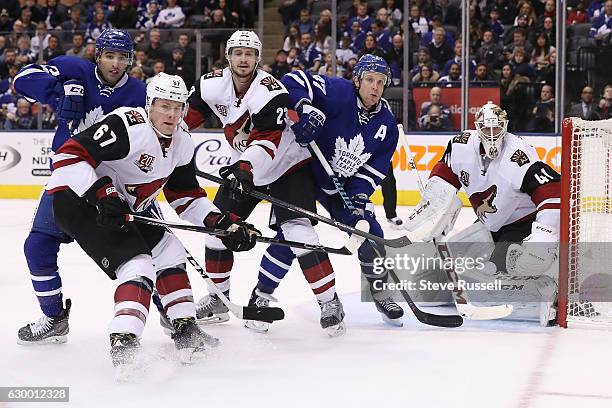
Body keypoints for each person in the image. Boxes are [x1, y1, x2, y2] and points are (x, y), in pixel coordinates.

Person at [46, 72, 259, 368]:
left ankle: (186, 332)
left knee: (169, 251)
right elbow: (67, 157)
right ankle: (124, 343)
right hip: (78, 202)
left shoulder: (182, 141)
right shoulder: (128, 126)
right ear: (149, 105)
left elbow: (185, 196)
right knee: (138, 265)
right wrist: (102, 194)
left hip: (124, 208)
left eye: (178, 106)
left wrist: (223, 224)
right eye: (164, 106)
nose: (171, 114)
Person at [185, 31, 346, 336]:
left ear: (258, 58)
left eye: (249, 53)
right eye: (237, 53)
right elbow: (185, 118)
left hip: (287, 165)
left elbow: (267, 141)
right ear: (228, 56)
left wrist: (244, 168)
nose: (243, 59)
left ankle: (329, 301)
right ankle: (219, 299)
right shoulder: (210, 84)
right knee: (217, 229)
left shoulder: (270, 90)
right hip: (247, 170)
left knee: (300, 234)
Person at [13, 29, 147, 345]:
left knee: (143, 253)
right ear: (97, 55)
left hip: (111, 187)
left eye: (122, 57)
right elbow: (21, 80)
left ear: (130, 60)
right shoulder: (75, 70)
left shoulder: (139, 92)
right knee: (38, 245)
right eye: (109, 56)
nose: (115, 64)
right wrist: (60, 89)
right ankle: (54, 318)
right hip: (68, 179)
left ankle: (175, 316)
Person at [404, 102, 560, 326]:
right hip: (489, 225)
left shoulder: (518, 154)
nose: (492, 135)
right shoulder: (461, 146)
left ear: (505, 126)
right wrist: (435, 207)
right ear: (477, 128)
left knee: (492, 280)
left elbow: (554, 193)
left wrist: (543, 236)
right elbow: (443, 175)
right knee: (426, 283)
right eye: (486, 129)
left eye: (497, 129)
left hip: (520, 225)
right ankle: (473, 287)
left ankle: (544, 290)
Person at [279, 54, 405, 325]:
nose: (375, 87)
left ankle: (381, 293)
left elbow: (376, 167)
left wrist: (360, 195)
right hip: (303, 173)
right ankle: (262, 295)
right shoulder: (337, 91)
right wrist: (305, 108)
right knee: (291, 235)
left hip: (340, 188)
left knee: (371, 233)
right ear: (357, 79)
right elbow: (291, 80)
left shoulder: (387, 125)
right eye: (370, 80)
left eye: (381, 82)